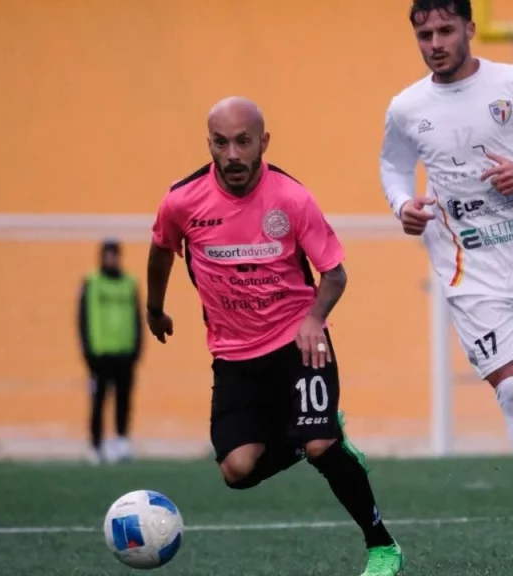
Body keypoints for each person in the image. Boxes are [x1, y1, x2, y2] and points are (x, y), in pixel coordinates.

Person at [379, 0, 513, 554]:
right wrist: (403, 204)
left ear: (470, 28)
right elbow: (394, 165)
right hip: (468, 270)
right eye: (425, 34)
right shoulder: (406, 108)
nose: (435, 43)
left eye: (445, 30)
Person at [146, 97, 403, 576]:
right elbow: (162, 247)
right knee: (237, 471)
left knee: (321, 446)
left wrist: (314, 319)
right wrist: (154, 308)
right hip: (233, 354)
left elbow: (335, 274)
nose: (232, 154)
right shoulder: (182, 201)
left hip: (298, 342)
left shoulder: (291, 198)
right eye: (221, 143)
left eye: (243, 142)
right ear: (209, 144)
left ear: (263, 142)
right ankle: (317, 432)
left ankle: (382, 546)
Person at [78, 238, 143, 464]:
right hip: (100, 353)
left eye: (114, 254)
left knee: (124, 400)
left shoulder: (129, 283)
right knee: (98, 401)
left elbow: (137, 317)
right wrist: (88, 350)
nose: (111, 259)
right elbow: (83, 318)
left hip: (124, 352)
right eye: (107, 254)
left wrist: (137, 348)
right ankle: (96, 445)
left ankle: (121, 441)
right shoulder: (92, 282)